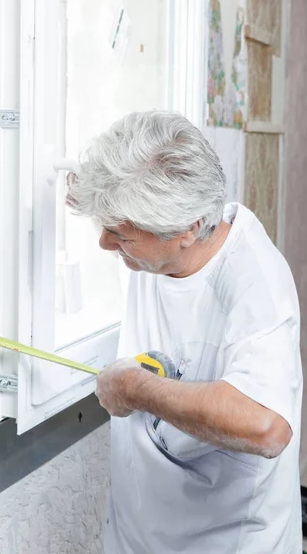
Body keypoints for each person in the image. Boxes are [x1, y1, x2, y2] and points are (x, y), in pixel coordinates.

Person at [66, 110, 303, 554]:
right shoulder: (157, 240)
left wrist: (137, 390)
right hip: (141, 537)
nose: (104, 244)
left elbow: (267, 426)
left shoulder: (256, 283)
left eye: (120, 235)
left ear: (188, 229)